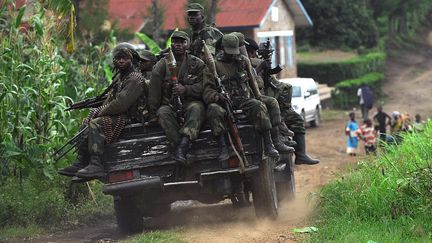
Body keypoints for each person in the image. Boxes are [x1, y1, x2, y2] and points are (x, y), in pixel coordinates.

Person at [58, 43, 146, 179]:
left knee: (96, 123)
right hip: (120, 114)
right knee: (87, 122)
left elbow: (121, 103)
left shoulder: (135, 78)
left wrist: (101, 112)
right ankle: (82, 161)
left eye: (125, 58)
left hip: (130, 116)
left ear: (132, 59)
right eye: (118, 58)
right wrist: (95, 110)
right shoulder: (121, 77)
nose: (121, 61)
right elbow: (110, 98)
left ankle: (96, 164)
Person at [202, 34, 280, 158]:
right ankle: (223, 147)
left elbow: (252, 82)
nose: (232, 55)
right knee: (213, 110)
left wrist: (258, 96)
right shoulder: (213, 66)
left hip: (243, 99)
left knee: (259, 106)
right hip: (224, 102)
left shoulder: (243, 61)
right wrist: (218, 96)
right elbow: (207, 92)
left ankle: (269, 143)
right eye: (229, 52)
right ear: (222, 48)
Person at [247, 39, 319, 165]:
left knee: (296, 118)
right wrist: (261, 67)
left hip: (269, 103)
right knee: (290, 117)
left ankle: (300, 154)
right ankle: (291, 147)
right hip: (261, 102)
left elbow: (276, 85)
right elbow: (271, 87)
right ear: (252, 52)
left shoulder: (256, 64)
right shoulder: (250, 64)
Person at [148, 31, 208, 164]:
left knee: (197, 108)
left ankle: (184, 145)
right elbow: (154, 90)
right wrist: (152, 112)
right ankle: (180, 147)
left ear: (187, 44)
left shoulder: (196, 63)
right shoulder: (163, 64)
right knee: (162, 113)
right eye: (175, 42)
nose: (178, 45)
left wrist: (186, 89)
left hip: (189, 102)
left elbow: (205, 85)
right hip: (169, 104)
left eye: (182, 42)